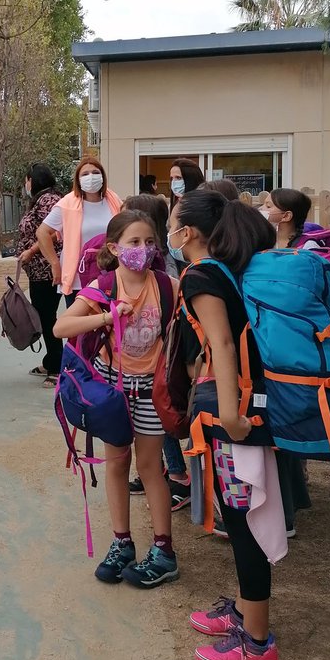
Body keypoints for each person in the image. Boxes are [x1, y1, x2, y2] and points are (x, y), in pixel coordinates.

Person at [169, 191, 282, 660]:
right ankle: (243, 610)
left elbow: (222, 344)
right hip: (241, 408)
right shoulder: (222, 271)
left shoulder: (200, 275)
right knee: (242, 516)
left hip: (235, 417)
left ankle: (256, 643)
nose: (169, 232)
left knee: (244, 520)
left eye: (173, 223)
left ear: (189, 232)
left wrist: (233, 418)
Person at [54, 210, 179, 587]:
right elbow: (62, 327)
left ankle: (163, 550)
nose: (143, 249)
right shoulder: (104, 286)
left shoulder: (169, 285)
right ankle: (122, 542)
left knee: (151, 467)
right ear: (114, 247)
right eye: (134, 242)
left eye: (149, 242)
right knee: (116, 465)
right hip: (114, 390)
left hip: (153, 390)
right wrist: (106, 317)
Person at [262, 189, 330, 506]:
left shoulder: (307, 249)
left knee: (315, 404)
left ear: (287, 216)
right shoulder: (264, 244)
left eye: (268, 206)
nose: (262, 210)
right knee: (288, 411)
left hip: (306, 340)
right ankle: (298, 476)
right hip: (274, 340)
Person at [122, 193, 191, 510]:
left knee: (164, 421)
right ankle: (161, 470)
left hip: (161, 365)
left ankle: (178, 476)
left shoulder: (164, 272)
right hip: (141, 365)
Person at [37, 156, 122, 303]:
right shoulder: (67, 204)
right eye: (85, 174)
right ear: (78, 180)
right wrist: (55, 264)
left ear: (102, 176)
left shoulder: (113, 200)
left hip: (110, 273)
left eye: (95, 172)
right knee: (81, 323)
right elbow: (42, 232)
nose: (91, 177)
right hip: (77, 278)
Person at [16, 163, 63, 386]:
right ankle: (50, 359)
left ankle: (57, 365)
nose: (26, 184)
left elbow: (55, 231)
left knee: (47, 316)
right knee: (43, 316)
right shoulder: (41, 200)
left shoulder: (49, 201)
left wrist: (31, 250)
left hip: (47, 271)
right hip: (38, 272)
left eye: (27, 180)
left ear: (33, 180)